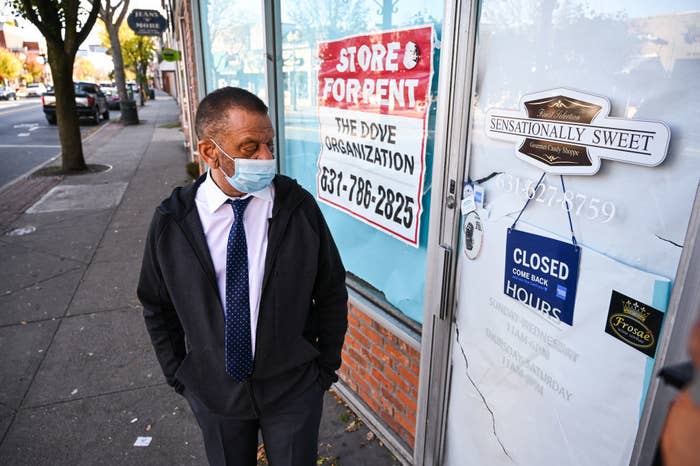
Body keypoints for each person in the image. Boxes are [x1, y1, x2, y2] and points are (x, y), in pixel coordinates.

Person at [137, 87, 348, 466]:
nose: (266, 157)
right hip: (215, 393)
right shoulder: (173, 222)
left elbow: (331, 290)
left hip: (293, 390)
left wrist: (323, 369)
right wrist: (181, 375)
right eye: (251, 147)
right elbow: (156, 304)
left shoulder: (297, 208)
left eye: (269, 144)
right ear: (209, 152)